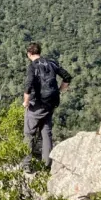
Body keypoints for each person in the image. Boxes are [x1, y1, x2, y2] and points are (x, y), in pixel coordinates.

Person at [22, 42, 72, 170]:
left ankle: (26, 165)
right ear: (39, 52)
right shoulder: (51, 63)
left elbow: (28, 85)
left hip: (37, 104)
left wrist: (26, 102)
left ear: (29, 54)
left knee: (29, 133)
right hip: (51, 103)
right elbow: (67, 76)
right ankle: (47, 165)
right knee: (46, 132)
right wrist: (60, 90)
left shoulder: (32, 66)